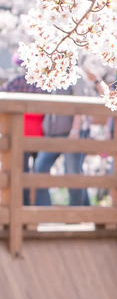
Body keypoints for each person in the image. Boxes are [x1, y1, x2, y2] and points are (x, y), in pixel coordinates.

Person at [33, 69, 98, 206]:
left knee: (72, 172)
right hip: (52, 132)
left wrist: (75, 130)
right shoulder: (49, 72)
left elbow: (79, 104)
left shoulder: (77, 74)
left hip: (71, 132)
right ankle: (43, 209)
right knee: (40, 167)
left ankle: (77, 212)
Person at [0, 57, 46, 205]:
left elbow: (4, 93)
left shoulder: (17, 81)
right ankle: (40, 205)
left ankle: (23, 204)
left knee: (22, 171)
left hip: (22, 130)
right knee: (39, 171)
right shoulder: (43, 83)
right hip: (40, 131)